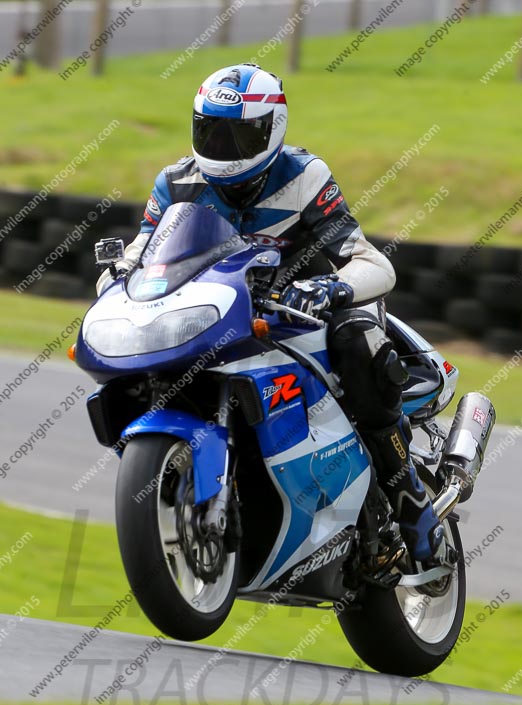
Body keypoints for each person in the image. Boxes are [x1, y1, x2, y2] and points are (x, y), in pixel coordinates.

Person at [97, 63, 443, 566]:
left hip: (309, 311)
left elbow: (371, 262)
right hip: (221, 316)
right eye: (212, 131)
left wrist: (330, 286)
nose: (223, 146)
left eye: (238, 135)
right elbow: (139, 257)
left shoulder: (304, 176)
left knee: (354, 341)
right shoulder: (175, 182)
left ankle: (408, 497)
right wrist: (117, 281)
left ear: (271, 129)